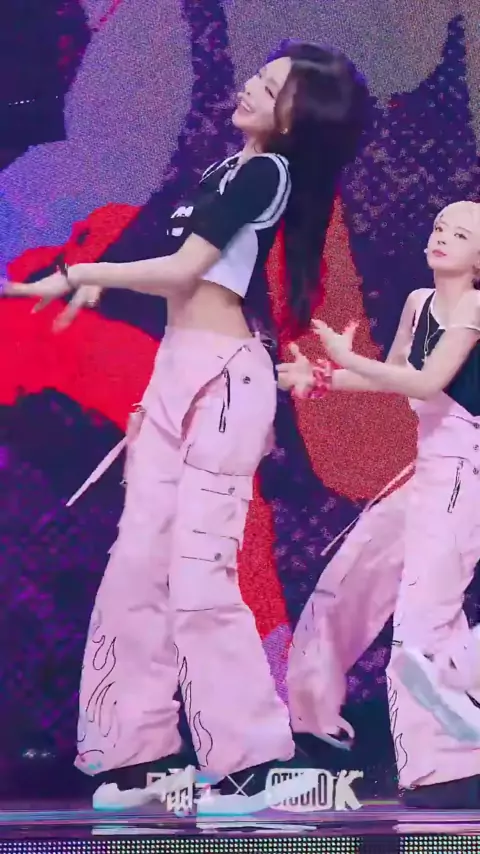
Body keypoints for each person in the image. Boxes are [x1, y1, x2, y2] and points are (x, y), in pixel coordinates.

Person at [2, 42, 369, 810]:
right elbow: (174, 277)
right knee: (136, 568)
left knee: (203, 572)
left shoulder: (268, 173)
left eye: (271, 86)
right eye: (259, 75)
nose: (251, 86)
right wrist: (89, 285)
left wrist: (80, 275)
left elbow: (182, 272)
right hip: (174, 372)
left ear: (297, 117)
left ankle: (246, 762)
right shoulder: (225, 170)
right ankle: (132, 759)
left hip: (223, 381)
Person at [278, 200, 480, 808]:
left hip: (466, 467)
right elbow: (389, 376)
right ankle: (327, 728)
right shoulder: (420, 302)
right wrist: (322, 377)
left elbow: (426, 382)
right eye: (440, 227)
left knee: (423, 622)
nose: (442, 237)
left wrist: (343, 359)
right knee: (356, 585)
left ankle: (448, 768)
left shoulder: (473, 307)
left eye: (460, 234)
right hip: (430, 462)